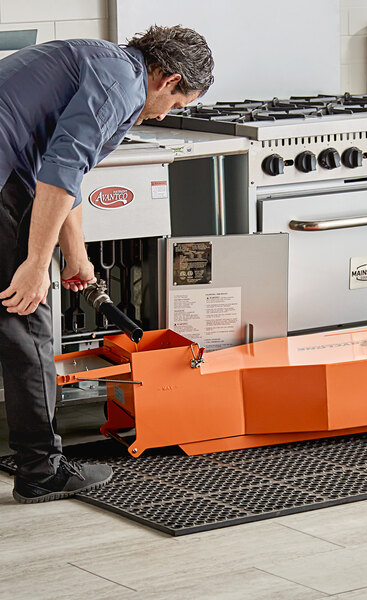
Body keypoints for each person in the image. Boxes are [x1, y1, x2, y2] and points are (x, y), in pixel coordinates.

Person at [0, 25, 214, 503]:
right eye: (176, 105)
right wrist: (38, 265)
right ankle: (41, 469)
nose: (165, 115)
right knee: (25, 317)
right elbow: (60, 170)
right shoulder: (121, 86)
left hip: (11, 170)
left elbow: (58, 172)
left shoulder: (103, 63)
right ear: (168, 79)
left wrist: (76, 255)